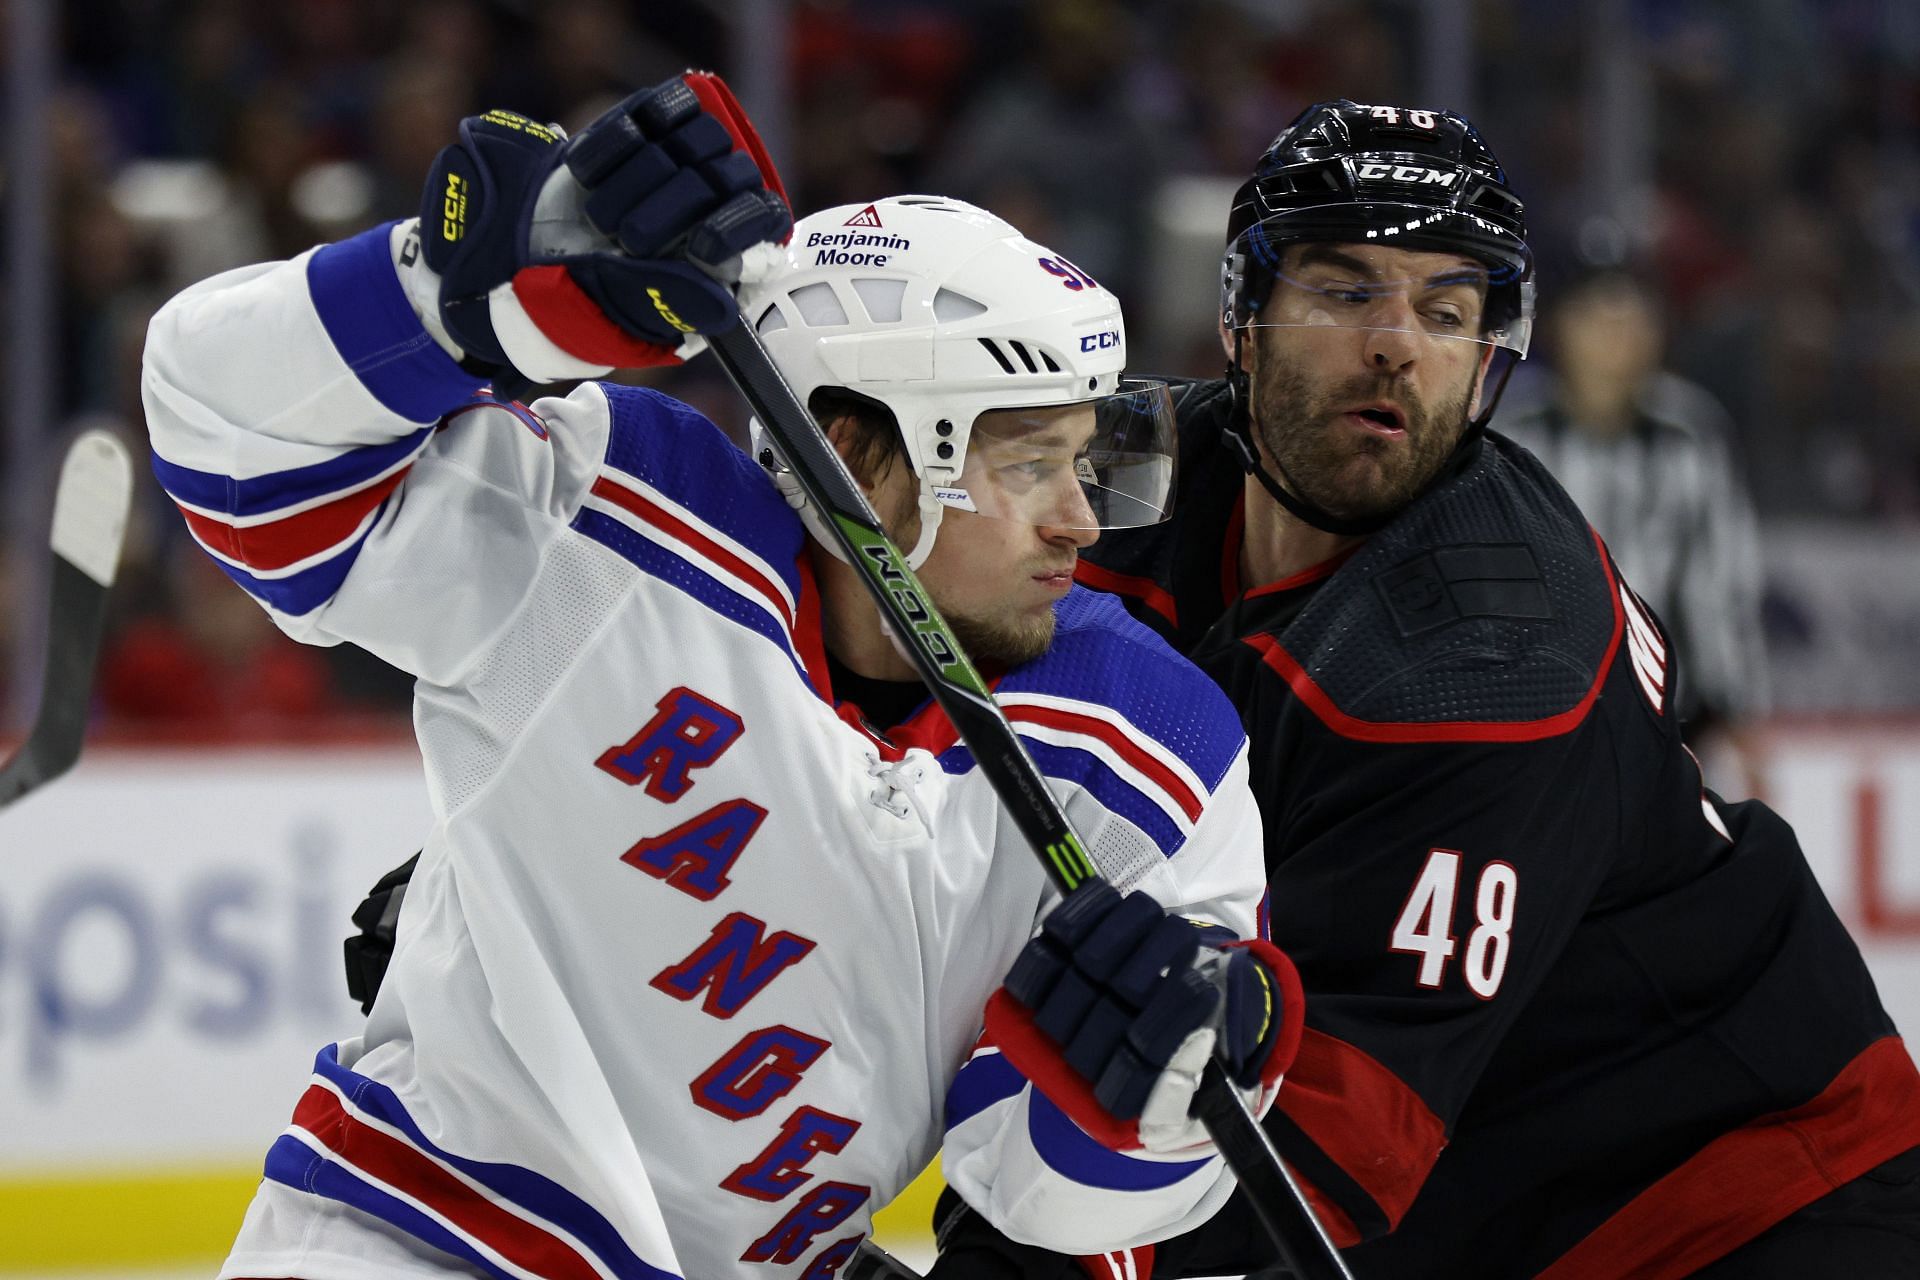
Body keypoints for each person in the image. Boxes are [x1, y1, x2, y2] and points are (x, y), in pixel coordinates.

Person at [140, 77, 1299, 1280]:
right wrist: (466, 305)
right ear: (850, 451)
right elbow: (227, 438)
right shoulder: (612, 520)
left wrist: (1149, 1099)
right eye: (1026, 459)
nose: (1078, 521)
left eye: (1085, 456)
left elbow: (1040, 1188)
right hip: (413, 1239)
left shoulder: (1154, 751)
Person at [932, 100, 1920, 1279]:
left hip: (1743, 1198)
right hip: (1496, 1197)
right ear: (1240, 320)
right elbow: (864, 579)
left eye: (1447, 309)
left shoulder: (1487, 659)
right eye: (1345, 290)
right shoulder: (1137, 482)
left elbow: (1317, 1160)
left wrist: (979, 1252)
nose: (1398, 341)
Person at [1501, 267, 1770, 782]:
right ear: (1562, 329)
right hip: (1539, 716)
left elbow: (1722, 584)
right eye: (1601, 322)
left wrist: (1741, 713)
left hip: (1669, 720)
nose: (1619, 340)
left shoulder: (1690, 434)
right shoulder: (1514, 437)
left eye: (1635, 322)